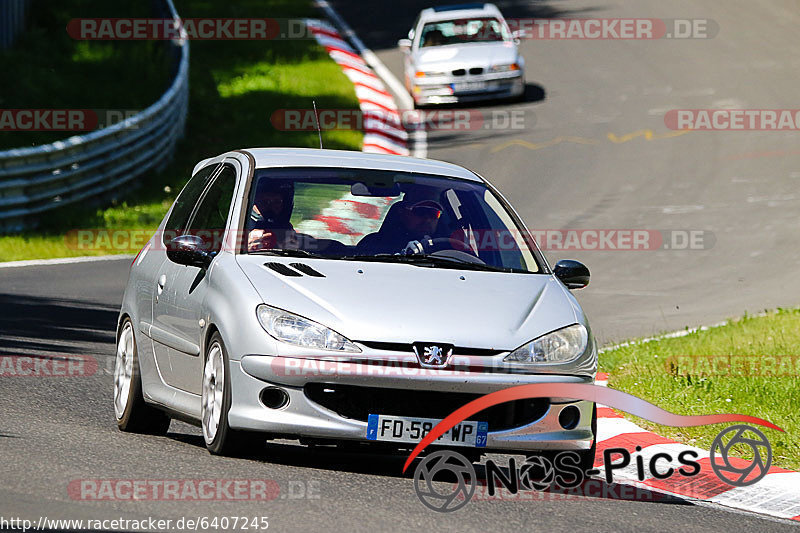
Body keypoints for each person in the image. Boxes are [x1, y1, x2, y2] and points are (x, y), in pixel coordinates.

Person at [356, 191, 445, 255]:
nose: (427, 219)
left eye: (434, 213)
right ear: (403, 212)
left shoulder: (447, 247)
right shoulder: (373, 244)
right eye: (420, 212)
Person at [247, 180, 296, 251]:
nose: (270, 206)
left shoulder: (285, 228)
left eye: (277, 202)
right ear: (255, 203)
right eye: (264, 202)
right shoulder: (241, 223)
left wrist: (292, 249)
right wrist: (247, 247)